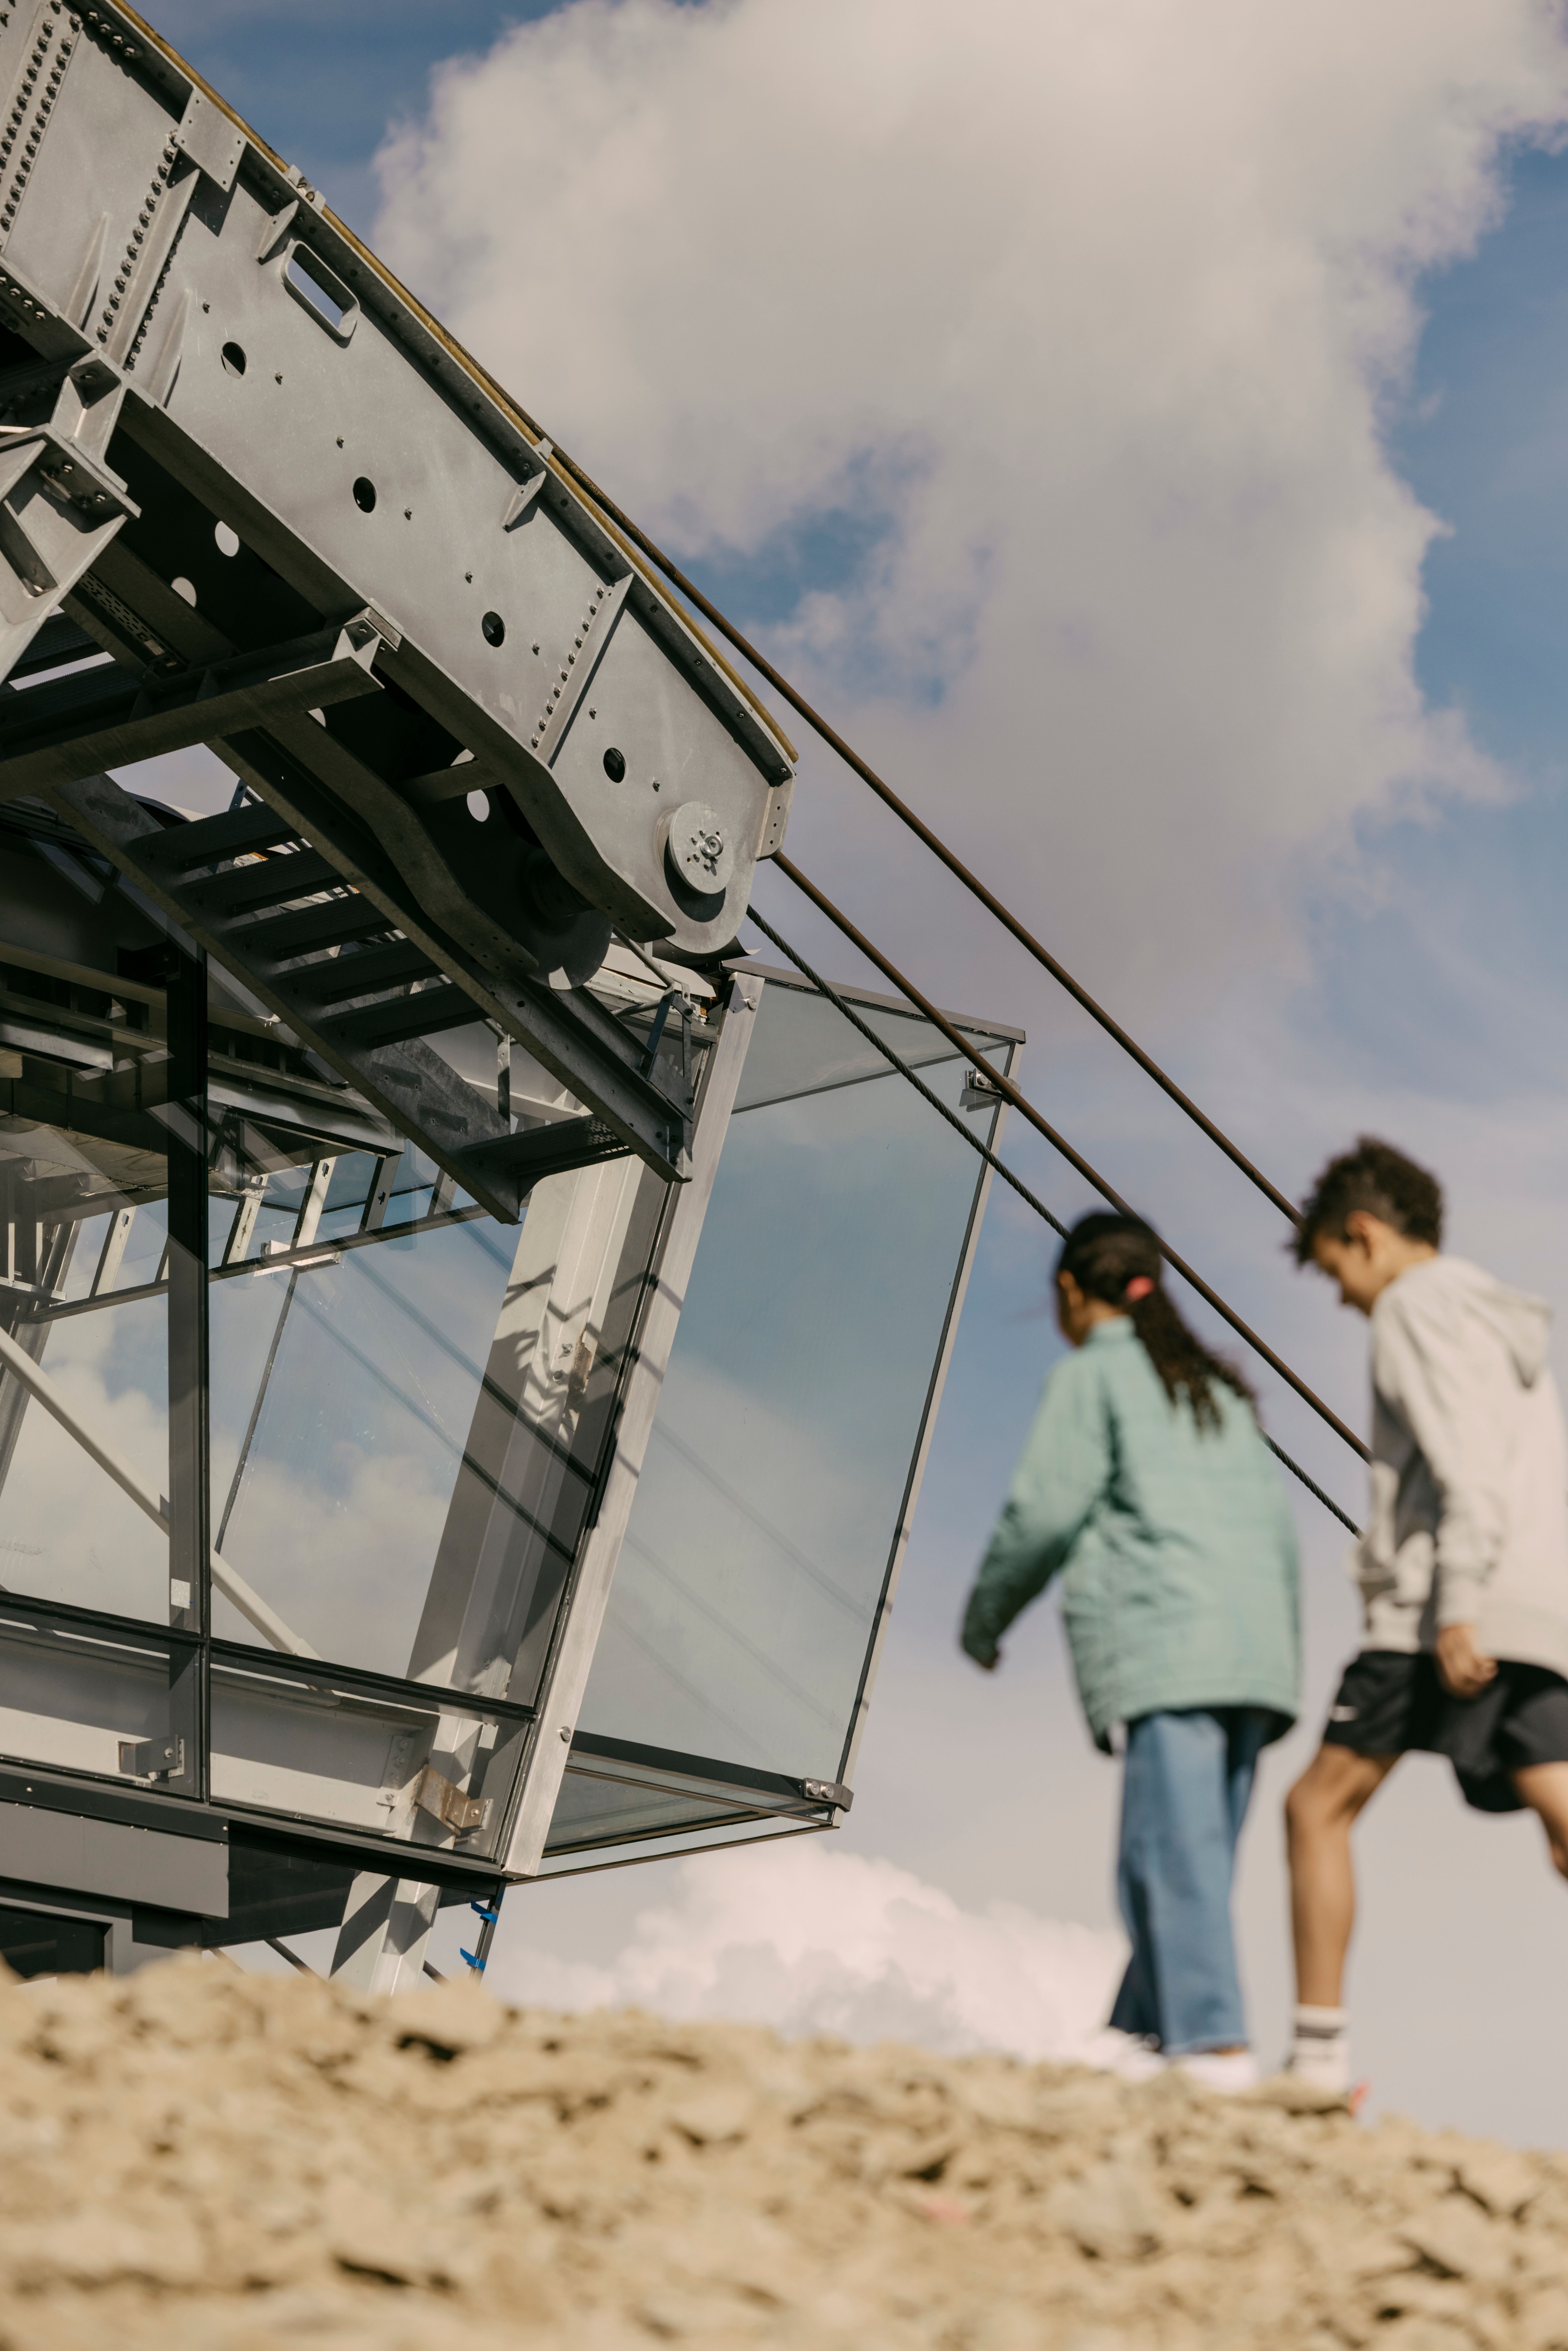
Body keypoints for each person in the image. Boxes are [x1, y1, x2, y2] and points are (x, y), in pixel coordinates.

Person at [961, 1212, 1300, 2092]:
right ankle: (1140, 2035)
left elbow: (1043, 1512)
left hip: (1170, 1645)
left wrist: (985, 1621)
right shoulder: (1216, 1392)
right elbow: (1280, 1538)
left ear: (1073, 1292)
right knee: (1194, 1855)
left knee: (1166, 1856)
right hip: (1255, 1659)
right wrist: (1281, 1661)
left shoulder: (1094, 1377)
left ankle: (1216, 2049)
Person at [1284, 1138, 1568, 2093]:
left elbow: (1466, 1472)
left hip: (1445, 1610)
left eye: (1336, 1273)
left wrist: (1456, 1607)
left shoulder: (1414, 1309)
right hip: (1539, 1603)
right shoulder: (1496, 1315)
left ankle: (1318, 2064)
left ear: (1361, 1236)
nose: (1345, 1298)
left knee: (1315, 1806)